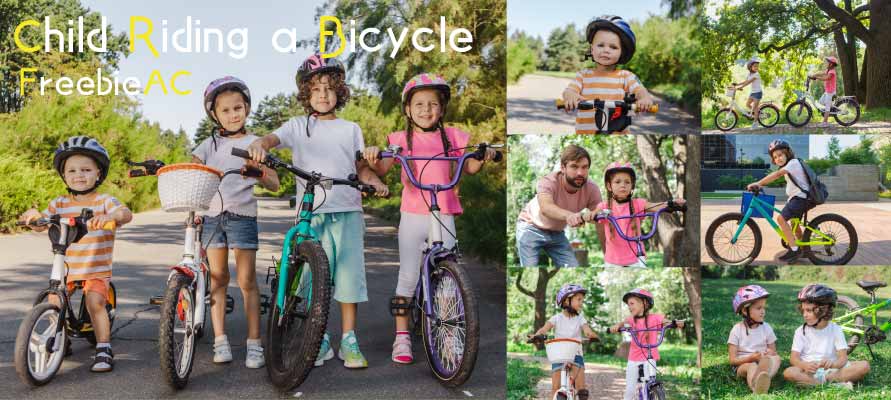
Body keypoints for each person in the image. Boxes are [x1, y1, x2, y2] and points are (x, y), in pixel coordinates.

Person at [247, 54, 388, 369]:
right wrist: (260, 143)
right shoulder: (298, 126)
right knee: (310, 279)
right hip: (313, 214)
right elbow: (272, 138)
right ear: (306, 95)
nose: (323, 94)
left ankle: (349, 339)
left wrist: (375, 180)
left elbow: (361, 169)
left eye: (329, 88)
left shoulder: (351, 128)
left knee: (350, 277)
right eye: (316, 89)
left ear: (339, 91)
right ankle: (318, 337)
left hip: (348, 210)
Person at [361, 72, 497, 364]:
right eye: (419, 104)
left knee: (448, 277)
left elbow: (470, 166)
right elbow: (382, 167)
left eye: (432, 104)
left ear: (442, 107)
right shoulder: (399, 140)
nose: (426, 109)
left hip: (444, 212)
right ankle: (401, 338)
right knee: (408, 275)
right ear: (408, 109)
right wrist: (374, 154)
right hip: (413, 214)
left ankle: (448, 338)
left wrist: (483, 154)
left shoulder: (454, 138)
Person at [19, 136, 133, 372]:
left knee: (94, 303)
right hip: (66, 267)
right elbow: (41, 222)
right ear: (63, 175)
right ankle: (63, 339)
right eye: (71, 170)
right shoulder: (59, 203)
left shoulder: (104, 201)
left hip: (95, 268)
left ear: (98, 174)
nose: (78, 175)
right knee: (54, 301)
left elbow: (125, 213)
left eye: (86, 169)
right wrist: (32, 216)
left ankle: (103, 348)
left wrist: (110, 217)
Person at [193, 76, 280, 368]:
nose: (233, 115)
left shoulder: (254, 144)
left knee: (246, 281)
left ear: (247, 109)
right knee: (217, 279)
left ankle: (254, 343)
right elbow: (193, 174)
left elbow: (275, 184)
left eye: (238, 108)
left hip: (242, 216)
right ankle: (220, 340)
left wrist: (257, 171)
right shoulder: (207, 146)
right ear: (214, 114)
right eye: (226, 110)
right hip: (212, 217)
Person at [561, 15, 654, 134]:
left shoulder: (626, 76)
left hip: (617, 132)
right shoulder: (583, 76)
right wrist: (570, 96)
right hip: (587, 133)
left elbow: (640, 90)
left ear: (622, 52)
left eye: (613, 47)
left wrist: (644, 98)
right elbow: (570, 90)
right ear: (592, 49)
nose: (606, 50)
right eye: (600, 45)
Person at [515, 145, 604, 267]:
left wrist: (608, 255)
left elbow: (601, 219)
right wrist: (570, 216)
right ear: (563, 167)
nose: (580, 173)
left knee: (573, 267)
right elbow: (546, 208)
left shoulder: (592, 189)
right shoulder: (548, 181)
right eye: (574, 167)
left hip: (557, 233)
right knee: (529, 268)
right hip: (530, 226)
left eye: (584, 167)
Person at [783, 284, 870, 389]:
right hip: (808, 372)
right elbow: (793, 358)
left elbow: (843, 359)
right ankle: (833, 385)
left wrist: (832, 364)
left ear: (824, 310)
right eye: (803, 310)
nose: (804, 315)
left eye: (809, 310)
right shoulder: (800, 331)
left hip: (831, 372)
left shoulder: (836, 330)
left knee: (864, 366)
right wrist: (804, 365)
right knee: (789, 372)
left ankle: (817, 383)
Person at [530, 284, 599, 400]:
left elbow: (586, 329)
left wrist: (591, 334)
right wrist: (537, 335)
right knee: (555, 388)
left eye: (582, 300)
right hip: (559, 355)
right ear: (567, 301)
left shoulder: (580, 318)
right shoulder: (556, 318)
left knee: (581, 389)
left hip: (576, 354)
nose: (581, 303)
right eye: (579, 299)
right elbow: (544, 329)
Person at [728, 285, 780, 394]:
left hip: (762, 362)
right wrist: (750, 358)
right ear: (745, 311)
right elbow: (732, 360)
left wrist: (770, 353)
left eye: (764, 308)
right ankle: (755, 387)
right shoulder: (737, 330)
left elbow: (773, 351)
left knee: (777, 359)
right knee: (752, 366)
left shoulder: (767, 328)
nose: (763, 311)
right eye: (758, 308)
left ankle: (763, 379)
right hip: (743, 365)